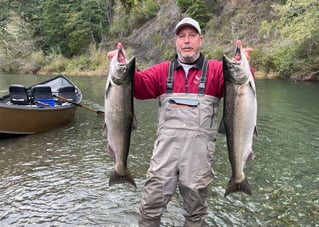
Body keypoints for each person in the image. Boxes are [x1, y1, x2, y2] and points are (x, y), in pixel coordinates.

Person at [107, 17, 254, 227]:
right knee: (149, 210)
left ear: (200, 40)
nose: (187, 41)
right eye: (182, 36)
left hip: (199, 159)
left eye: (192, 36)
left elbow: (240, 90)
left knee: (195, 215)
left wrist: (245, 65)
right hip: (164, 156)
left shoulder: (216, 70)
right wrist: (122, 66)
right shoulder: (162, 71)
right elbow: (137, 87)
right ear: (176, 41)